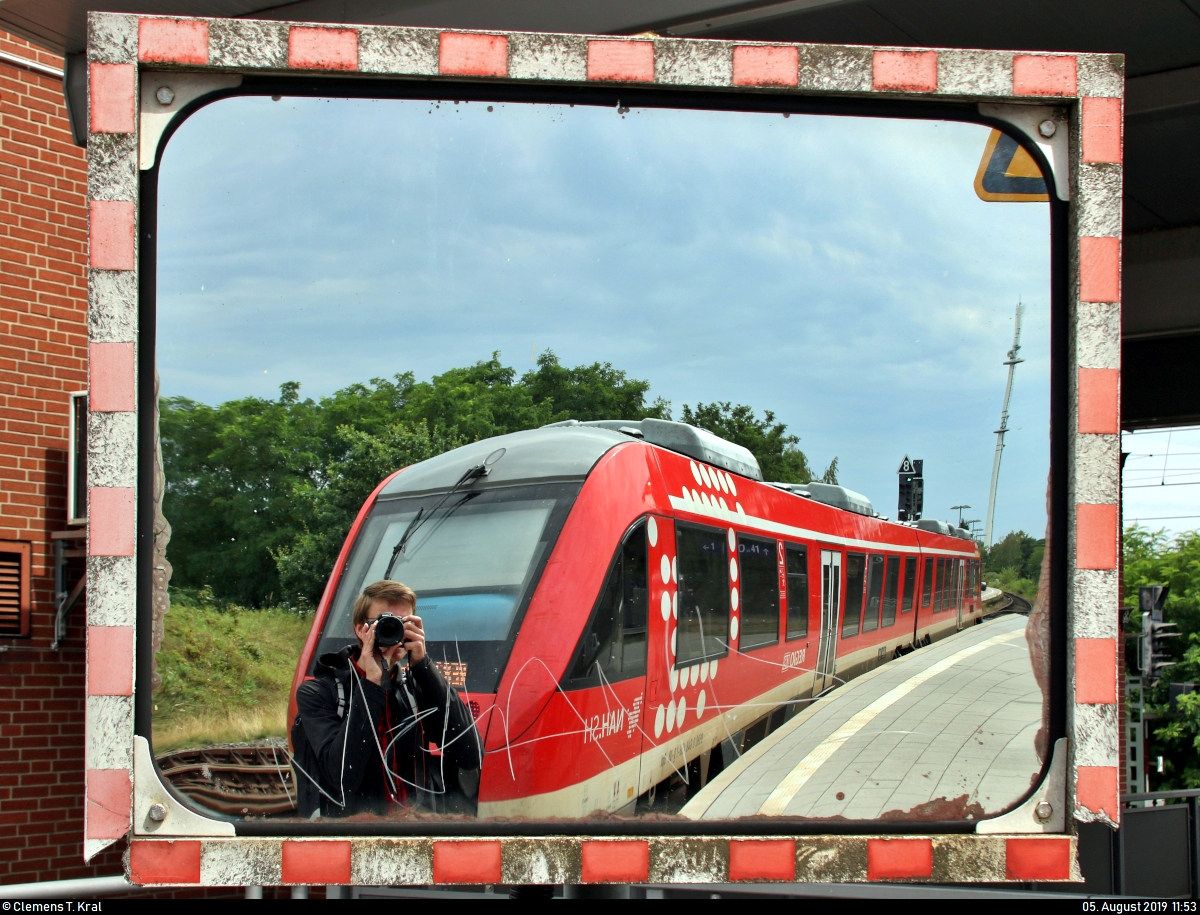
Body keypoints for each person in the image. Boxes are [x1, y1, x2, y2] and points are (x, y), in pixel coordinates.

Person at [292, 580, 481, 818]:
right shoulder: (319, 694)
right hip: (356, 837)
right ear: (360, 630)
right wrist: (372, 682)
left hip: (417, 830)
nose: (394, 632)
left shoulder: (415, 689)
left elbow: (470, 754)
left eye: (404, 624)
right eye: (384, 623)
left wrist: (423, 667)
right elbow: (342, 777)